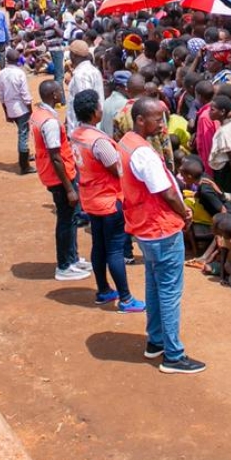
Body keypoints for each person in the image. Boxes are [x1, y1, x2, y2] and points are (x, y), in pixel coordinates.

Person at [115, 97, 204, 374]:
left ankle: (155, 341)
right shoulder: (142, 152)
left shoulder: (126, 142)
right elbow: (165, 191)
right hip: (160, 227)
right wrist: (185, 213)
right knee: (168, 291)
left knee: (154, 284)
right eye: (157, 119)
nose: (162, 125)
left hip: (144, 226)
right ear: (141, 120)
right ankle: (173, 355)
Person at [69, 90, 146, 312]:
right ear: (94, 112)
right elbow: (117, 169)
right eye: (100, 107)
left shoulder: (76, 134)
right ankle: (125, 299)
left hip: (91, 198)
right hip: (109, 200)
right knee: (114, 249)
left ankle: (103, 290)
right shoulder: (99, 141)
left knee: (99, 245)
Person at [30, 80, 91, 281]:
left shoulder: (39, 114)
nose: (62, 94)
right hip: (60, 176)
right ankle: (64, 265)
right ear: (54, 95)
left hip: (53, 173)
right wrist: (69, 188)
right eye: (59, 91)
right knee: (66, 220)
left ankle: (72, 258)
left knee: (71, 218)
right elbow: (55, 156)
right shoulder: (49, 123)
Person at [0, 49, 33, 175]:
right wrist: (30, 110)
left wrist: (6, 112)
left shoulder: (1, 74)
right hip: (22, 108)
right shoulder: (19, 73)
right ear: (18, 60)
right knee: (23, 134)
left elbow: (0, 96)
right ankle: (24, 165)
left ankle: (25, 155)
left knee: (23, 132)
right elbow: (25, 95)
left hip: (11, 108)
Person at [66, 39, 103, 133]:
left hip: (84, 131)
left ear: (73, 55)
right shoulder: (93, 70)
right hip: (92, 127)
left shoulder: (81, 75)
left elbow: (86, 106)